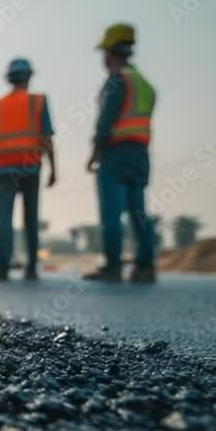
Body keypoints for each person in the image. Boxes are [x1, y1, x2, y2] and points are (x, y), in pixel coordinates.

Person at [85, 24, 157, 283]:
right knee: (138, 211)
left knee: (111, 212)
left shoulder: (117, 80)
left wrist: (94, 153)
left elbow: (105, 123)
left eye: (104, 52)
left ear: (111, 52)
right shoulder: (144, 84)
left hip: (114, 153)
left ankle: (112, 266)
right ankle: (146, 266)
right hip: (140, 153)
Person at [0, 58, 57, 281]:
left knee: (4, 218)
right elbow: (47, 137)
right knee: (31, 217)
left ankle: (2, 267)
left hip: (3, 168)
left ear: (9, 79)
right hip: (30, 166)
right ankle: (31, 267)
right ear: (29, 77)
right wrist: (54, 168)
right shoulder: (38, 102)